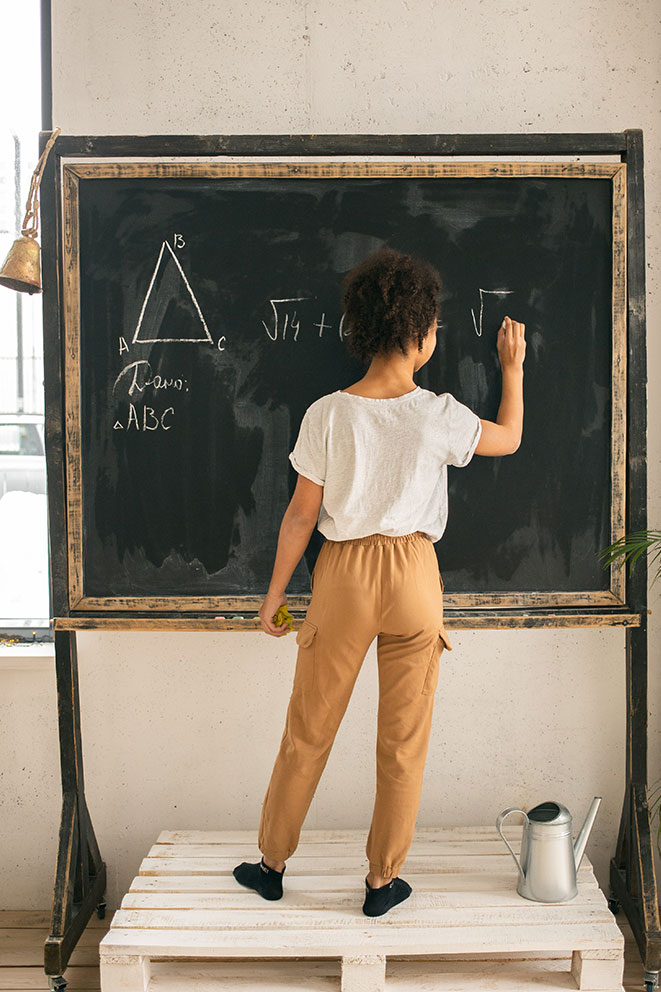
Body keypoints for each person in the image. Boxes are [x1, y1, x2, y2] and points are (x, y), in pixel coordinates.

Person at [233, 245, 526, 916]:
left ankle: (271, 864)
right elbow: (507, 438)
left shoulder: (327, 413)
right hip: (415, 577)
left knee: (307, 730)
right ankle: (380, 881)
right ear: (423, 335)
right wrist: (510, 368)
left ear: (359, 331)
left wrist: (274, 597)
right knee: (402, 740)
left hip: (343, 577)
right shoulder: (439, 413)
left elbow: (301, 514)